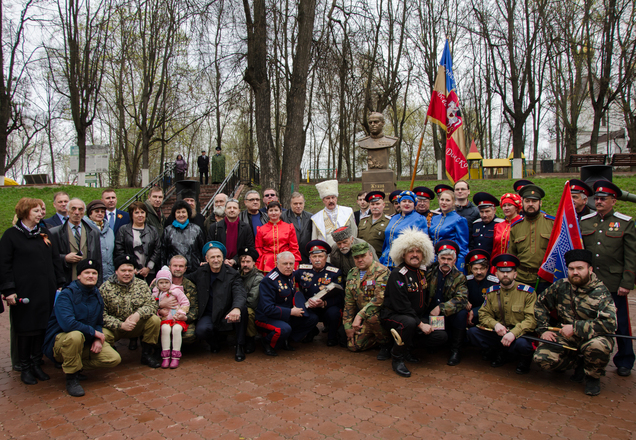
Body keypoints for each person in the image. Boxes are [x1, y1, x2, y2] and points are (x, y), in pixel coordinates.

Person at [533, 249, 617, 395]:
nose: (575, 272)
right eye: (571, 269)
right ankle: (579, 364)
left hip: (592, 337)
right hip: (566, 336)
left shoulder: (601, 292)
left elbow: (610, 323)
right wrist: (543, 329)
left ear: (590, 269)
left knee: (598, 346)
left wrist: (575, 328)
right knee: (542, 358)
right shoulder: (561, 286)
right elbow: (540, 304)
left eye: (580, 268)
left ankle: (593, 377)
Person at [0, 198, 65, 384]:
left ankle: (36, 363)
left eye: (41, 210)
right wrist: (8, 290)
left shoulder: (44, 233)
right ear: (24, 212)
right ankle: (25, 367)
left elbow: (55, 259)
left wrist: (60, 282)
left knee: (41, 327)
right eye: (36, 211)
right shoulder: (11, 235)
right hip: (24, 291)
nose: (40, 213)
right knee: (26, 329)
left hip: (45, 290)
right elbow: (4, 265)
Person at [579, 180, 636, 377]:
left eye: (604, 199)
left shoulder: (625, 223)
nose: (599, 202)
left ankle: (625, 359)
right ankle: (592, 357)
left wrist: (627, 283)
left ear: (614, 201)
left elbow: (631, 256)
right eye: (597, 198)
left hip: (614, 282)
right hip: (591, 282)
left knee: (620, 322)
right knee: (589, 319)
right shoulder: (586, 221)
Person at [42, 260, 121, 397]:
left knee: (113, 358)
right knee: (75, 335)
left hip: (84, 342)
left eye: (94, 273)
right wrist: (94, 332)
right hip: (60, 341)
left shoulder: (96, 294)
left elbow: (98, 321)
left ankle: (74, 364)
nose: (91, 276)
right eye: (87, 273)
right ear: (79, 275)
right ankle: (71, 377)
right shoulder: (66, 295)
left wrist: (97, 337)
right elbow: (68, 324)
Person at [380, 227, 447, 378]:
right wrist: (420, 324)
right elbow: (401, 306)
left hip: (415, 316)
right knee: (409, 323)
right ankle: (397, 357)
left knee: (441, 335)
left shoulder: (422, 272)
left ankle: (408, 346)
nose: (415, 255)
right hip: (394, 316)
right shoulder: (398, 274)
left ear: (424, 254)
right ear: (403, 253)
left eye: (418, 251)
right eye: (411, 251)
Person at [467, 254, 536, 374]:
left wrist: (513, 333)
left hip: (519, 334)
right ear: (496, 274)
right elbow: (483, 314)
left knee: (523, 345)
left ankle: (524, 360)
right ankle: (500, 351)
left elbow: (531, 320)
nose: (505, 275)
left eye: (508, 271)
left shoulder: (527, 293)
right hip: (500, 332)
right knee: (472, 333)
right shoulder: (492, 292)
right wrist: (495, 325)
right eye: (502, 271)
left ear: (515, 274)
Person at [187, 242, 248, 362]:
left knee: (243, 310)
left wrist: (236, 308)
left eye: (218, 256)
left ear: (223, 257)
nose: (216, 260)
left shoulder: (232, 274)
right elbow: (184, 279)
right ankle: (214, 343)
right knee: (201, 331)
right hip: (209, 314)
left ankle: (239, 346)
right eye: (212, 257)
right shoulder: (201, 272)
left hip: (227, 313)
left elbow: (239, 293)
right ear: (206, 259)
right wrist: (164, 278)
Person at [99, 255, 161, 368]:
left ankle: (146, 354)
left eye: (130, 270)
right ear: (116, 271)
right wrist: (121, 325)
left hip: (135, 324)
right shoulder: (105, 288)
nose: (127, 273)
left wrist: (138, 314)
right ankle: (112, 352)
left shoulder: (141, 285)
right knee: (102, 333)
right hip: (115, 328)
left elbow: (152, 305)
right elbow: (101, 315)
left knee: (154, 320)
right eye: (123, 270)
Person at [255, 252, 319, 356]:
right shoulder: (269, 281)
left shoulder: (291, 275)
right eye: (285, 263)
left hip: (286, 314)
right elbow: (268, 309)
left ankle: (287, 339)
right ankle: (267, 343)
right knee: (284, 329)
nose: (288, 266)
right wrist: (291, 312)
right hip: (267, 317)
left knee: (312, 318)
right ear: (277, 264)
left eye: (291, 263)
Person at [425, 240, 470, 366]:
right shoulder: (430, 272)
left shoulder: (459, 277)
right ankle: (432, 344)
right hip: (429, 312)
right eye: (443, 258)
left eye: (449, 259)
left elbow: (462, 298)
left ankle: (456, 350)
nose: (445, 262)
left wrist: (441, 308)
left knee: (462, 313)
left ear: (454, 261)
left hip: (447, 314)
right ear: (438, 259)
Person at [342, 242, 390, 357]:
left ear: (370, 255)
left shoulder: (382, 271)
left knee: (372, 317)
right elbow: (349, 302)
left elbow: (379, 299)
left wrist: (359, 316)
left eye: (363, 256)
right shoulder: (352, 273)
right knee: (353, 346)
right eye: (356, 257)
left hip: (380, 315)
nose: (360, 260)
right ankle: (378, 337)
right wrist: (348, 326)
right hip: (364, 317)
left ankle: (386, 343)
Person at [295, 240, 344, 347]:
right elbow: (289, 279)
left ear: (326, 257)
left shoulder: (334, 273)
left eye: (320, 256)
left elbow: (340, 296)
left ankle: (332, 337)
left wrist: (324, 303)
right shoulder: (302, 270)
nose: (317, 260)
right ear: (310, 258)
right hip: (310, 306)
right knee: (299, 309)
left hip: (327, 306)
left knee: (334, 313)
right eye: (314, 257)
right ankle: (311, 332)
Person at [508, 184, 555, 292]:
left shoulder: (552, 224)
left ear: (540, 203)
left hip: (545, 279)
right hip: (521, 279)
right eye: (527, 201)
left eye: (534, 201)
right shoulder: (516, 227)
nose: (530, 204)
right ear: (522, 203)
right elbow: (511, 255)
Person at [50, 198, 103, 285]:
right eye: (73, 209)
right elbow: (49, 258)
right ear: (67, 211)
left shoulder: (93, 232)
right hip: (66, 281)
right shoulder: (55, 233)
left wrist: (98, 284)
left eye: (80, 209)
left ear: (84, 212)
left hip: (88, 282)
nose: (77, 212)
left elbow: (98, 259)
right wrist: (65, 258)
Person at [149, 255, 199, 345]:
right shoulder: (159, 283)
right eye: (175, 266)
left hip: (180, 319)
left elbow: (195, 308)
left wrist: (186, 317)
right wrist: (160, 305)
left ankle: (177, 348)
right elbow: (147, 303)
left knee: (189, 335)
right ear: (169, 267)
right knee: (153, 329)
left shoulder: (190, 286)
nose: (178, 269)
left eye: (181, 266)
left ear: (185, 269)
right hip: (161, 317)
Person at [379, 191, 429, 268]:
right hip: (386, 260)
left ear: (414, 204)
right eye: (404, 201)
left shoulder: (419, 219)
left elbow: (422, 244)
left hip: (403, 262)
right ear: (399, 203)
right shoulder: (394, 218)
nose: (407, 204)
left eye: (410, 202)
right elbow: (386, 240)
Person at [152, 266, 190, 369]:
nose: (164, 285)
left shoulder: (176, 291)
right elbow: (151, 307)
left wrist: (181, 313)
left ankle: (175, 356)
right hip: (165, 319)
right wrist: (159, 311)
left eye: (166, 282)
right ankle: (165, 356)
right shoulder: (156, 294)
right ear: (157, 283)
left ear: (170, 282)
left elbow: (185, 302)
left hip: (177, 319)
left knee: (176, 329)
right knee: (165, 329)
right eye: (161, 283)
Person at [115, 201, 161, 283]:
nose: (140, 215)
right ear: (131, 215)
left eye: (142, 212)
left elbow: (157, 249)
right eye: (136, 212)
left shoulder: (152, 230)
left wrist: (148, 268)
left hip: (149, 272)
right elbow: (119, 250)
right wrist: (131, 267)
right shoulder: (123, 230)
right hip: (130, 272)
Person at [429, 189, 469, 273]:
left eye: (447, 200)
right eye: (442, 199)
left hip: (449, 260)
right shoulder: (434, 218)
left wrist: (459, 265)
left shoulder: (459, 220)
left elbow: (463, 246)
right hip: (434, 259)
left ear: (454, 202)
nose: (444, 202)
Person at [255, 201, 301, 273]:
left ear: (280, 212)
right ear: (267, 212)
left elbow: (294, 247)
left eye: (276, 210)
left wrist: (295, 261)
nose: (273, 213)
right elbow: (258, 247)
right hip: (268, 263)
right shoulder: (261, 229)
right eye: (271, 210)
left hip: (286, 262)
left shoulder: (289, 227)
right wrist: (259, 261)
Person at [161, 200, 206, 273]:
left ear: (188, 213)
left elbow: (202, 250)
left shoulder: (196, 229)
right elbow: (163, 253)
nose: (181, 215)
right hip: (174, 270)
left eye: (183, 212)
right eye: (178, 212)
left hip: (193, 270)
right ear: (174, 214)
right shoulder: (168, 231)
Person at [208, 199, 255, 268]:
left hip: (239, 265)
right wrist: (223, 259)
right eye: (229, 208)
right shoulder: (215, 227)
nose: (232, 210)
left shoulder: (246, 227)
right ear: (225, 210)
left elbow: (249, 246)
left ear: (239, 211)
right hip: (219, 264)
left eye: (234, 208)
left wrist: (234, 260)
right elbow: (210, 246)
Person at [311, 179, 357, 246]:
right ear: (323, 200)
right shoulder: (317, 218)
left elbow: (354, 231)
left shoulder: (347, 211)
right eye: (328, 198)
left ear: (336, 198)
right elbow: (314, 238)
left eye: (333, 197)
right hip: (327, 250)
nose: (331, 201)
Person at [237, 247, 263, 354]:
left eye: (248, 262)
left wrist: (237, 305)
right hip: (237, 305)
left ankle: (250, 338)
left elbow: (252, 301)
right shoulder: (236, 275)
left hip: (251, 307)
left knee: (248, 313)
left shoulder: (258, 278)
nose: (245, 265)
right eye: (243, 262)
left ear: (254, 262)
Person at [464, 249, 498, 326]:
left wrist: (475, 311)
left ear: (487, 268)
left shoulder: (494, 282)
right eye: (475, 269)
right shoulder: (466, 281)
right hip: (469, 315)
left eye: (482, 268)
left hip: (489, 315)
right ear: (471, 268)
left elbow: (494, 304)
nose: (479, 272)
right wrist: (464, 301)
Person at [84, 200, 115, 282]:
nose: (100, 213)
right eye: (97, 211)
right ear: (90, 214)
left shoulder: (109, 230)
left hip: (109, 274)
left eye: (102, 211)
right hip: (92, 273)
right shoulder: (85, 229)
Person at [281, 192, 313, 264]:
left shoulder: (311, 217)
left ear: (304, 203)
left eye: (300, 203)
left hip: (306, 255)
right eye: (295, 204)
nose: (298, 206)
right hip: (289, 255)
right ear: (290, 204)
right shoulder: (283, 217)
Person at [491, 193, 523, 263]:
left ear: (516, 207)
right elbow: (495, 250)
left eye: (509, 205)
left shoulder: (523, 224)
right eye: (504, 205)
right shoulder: (498, 226)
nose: (506, 208)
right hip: (499, 264)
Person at [357, 191, 391, 255]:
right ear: (369, 206)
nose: (375, 206)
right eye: (372, 204)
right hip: (364, 257)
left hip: (380, 258)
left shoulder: (389, 221)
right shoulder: (363, 220)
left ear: (383, 205)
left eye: (377, 204)